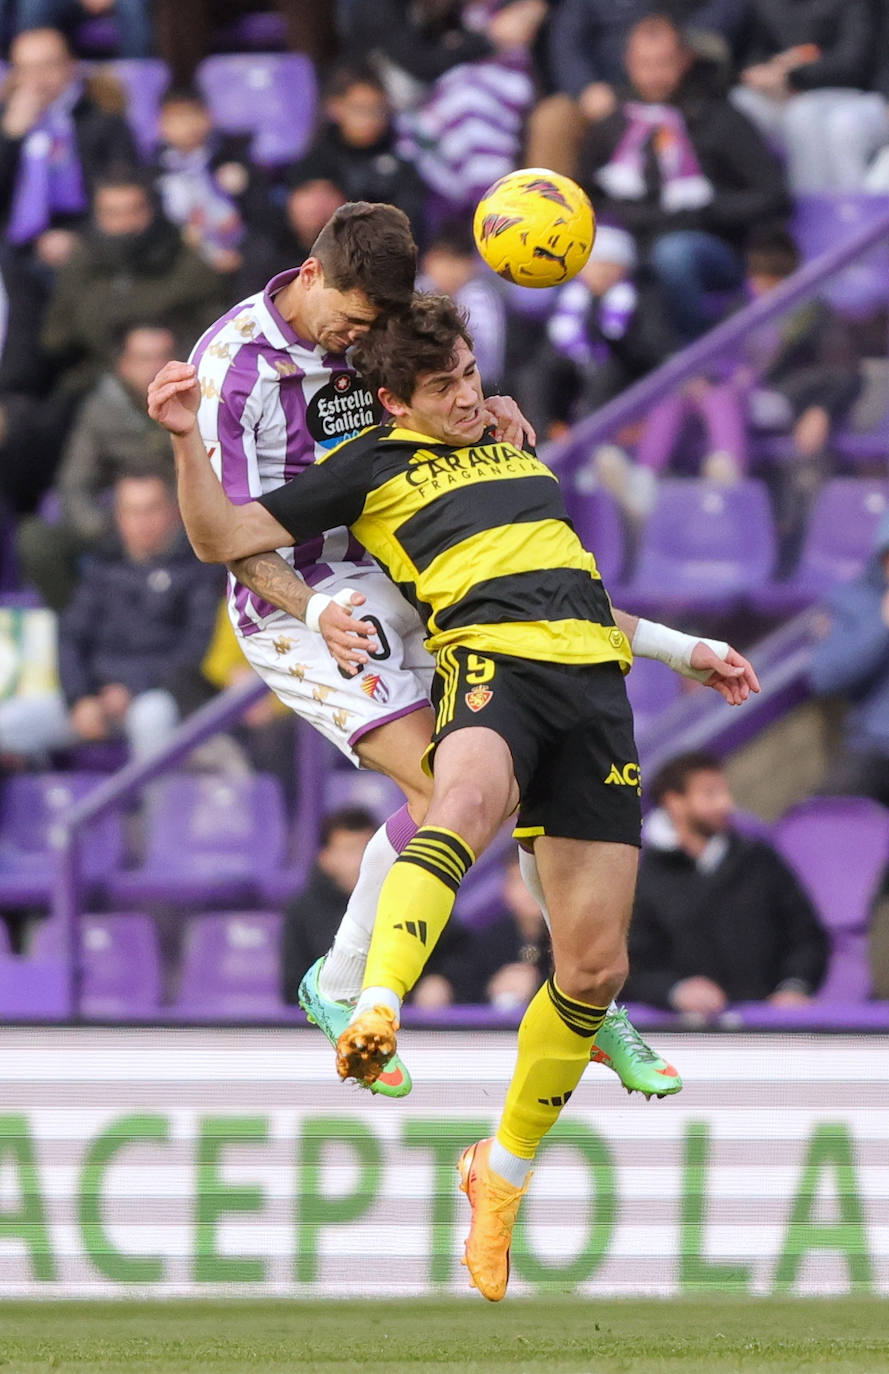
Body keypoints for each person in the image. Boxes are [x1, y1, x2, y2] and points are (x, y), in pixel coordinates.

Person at [149, 292, 760, 1300]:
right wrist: (182, 445)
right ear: (393, 399)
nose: (469, 396)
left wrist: (685, 650)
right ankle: (373, 1004)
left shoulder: (520, 449)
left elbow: (567, 591)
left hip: (595, 696)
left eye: (472, 375)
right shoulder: (369, 468)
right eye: (445, 387)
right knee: (458, 803)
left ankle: (499, 1176)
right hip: (488, 671)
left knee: (596, 968)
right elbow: (223, 536)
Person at [151, 201, 702, 1106]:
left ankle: (584, 992)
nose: (363, 338)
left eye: (378, 325)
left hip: (413, 571)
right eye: (357, 322)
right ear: (313, 274)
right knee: (448, 794)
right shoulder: (232, 371)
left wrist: (480, 407)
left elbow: (438, 373)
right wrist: (314, 603)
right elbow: (228, 538)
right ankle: (338, 986)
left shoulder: (388, 309)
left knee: (518, 772)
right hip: (300, 602)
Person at [577, 15, 789, 341]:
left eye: (663, 63)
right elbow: (587, 193)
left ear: (684, 59)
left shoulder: (721, 117)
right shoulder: (614, 122)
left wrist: (707, 209)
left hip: (708, 244)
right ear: (628, 63)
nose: (653, 75)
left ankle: (692, 356)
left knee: (674, 253)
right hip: (629, 242)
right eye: (643, 63)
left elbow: (773, 195)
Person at [0, 470, 222, 762]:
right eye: (132, 511)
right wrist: (81, 699)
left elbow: (195, 651)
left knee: (151, 716)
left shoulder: (200, 569)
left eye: (151, 509)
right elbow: (71, 638)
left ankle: (156, 807)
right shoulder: (102, 568)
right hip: (96, 699)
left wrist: (131, 688)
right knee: (8, 723)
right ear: (119, 517)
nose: (142, 522)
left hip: (160, 695)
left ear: (174, 512)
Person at [624, 752, 828, 1015]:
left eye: (724, 792)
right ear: (674, 802)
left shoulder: (759, 859)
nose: (725, 804)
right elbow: (635, 963)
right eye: (710, 794)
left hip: (773, 1029)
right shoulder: (644, 875)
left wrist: (795, 986)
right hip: (687, 1037)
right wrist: (675, 991)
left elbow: (808, 936)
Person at [17, 322, 177, 610]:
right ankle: (80, 622)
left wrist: (172, 522)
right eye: (145, 357)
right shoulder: (101, 410)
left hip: (185, 523)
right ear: (124, 364)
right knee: (36, 540)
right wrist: (102, 529)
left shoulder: (199, 402)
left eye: (163, 356)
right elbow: (74, 482)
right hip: (117, 521)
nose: (156, 366)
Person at [41, 171, 222, 397]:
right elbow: (56, 338)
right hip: (95, 385)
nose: (124, 224)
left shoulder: (186, 262)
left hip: (180, 380)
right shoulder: (79, 265)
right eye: (112, 213)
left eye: (134, 211)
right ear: (96, 216)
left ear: (151, 210)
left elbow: (216, 332)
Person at [0, 27, 136, 257]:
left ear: (70, 65)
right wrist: (9, 137)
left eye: (47, 65)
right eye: (26, 68)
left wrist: (83, 238)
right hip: (13, 242)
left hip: (88, 236)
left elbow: (125, 189)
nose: (37, 78)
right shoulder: (6, 119)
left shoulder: (103, 117)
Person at [732, 0, 886, 193]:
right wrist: (766, 72)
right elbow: (752, 55)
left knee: (816, 117)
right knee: (742, 101)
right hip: (784, 91)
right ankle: (772, 207)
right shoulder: (764, 6)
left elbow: (854, 63)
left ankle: (845, 209)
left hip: (851, 93)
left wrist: (794, 74)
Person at [287, 63, 425, 242]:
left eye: (378, 109)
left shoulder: (401, 157)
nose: (371, 119)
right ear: (335, 107)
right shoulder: (315, 160)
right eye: (361, 109)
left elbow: (409, 223)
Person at [809, 512, 889, 808]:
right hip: (877, 749)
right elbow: (824, 676)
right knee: (832, 811)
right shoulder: (852, 601)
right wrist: (881, 625)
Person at [281, 807, 378, 1005]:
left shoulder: (405, 898)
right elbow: (294, 987)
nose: (361, 860)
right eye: (350, 850)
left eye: (368, 849)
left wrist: (439, 981)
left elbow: (452, 955)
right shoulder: (303, 912)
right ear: (325, 858)